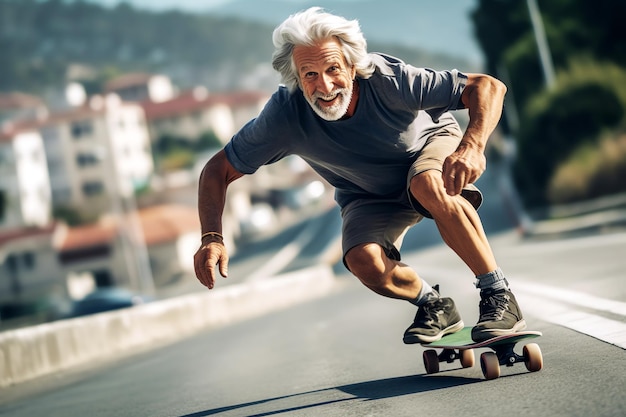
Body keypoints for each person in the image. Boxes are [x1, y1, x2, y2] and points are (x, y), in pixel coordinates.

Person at [193, 7, 526, 344]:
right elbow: (216, 170)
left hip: (428, 150)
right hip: (367, 193)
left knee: (424, 183)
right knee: (362, 260)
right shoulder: (284, 116)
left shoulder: (388, 80)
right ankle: (434, 305)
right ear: (295, 78)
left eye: (333, 69)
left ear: (353, 66)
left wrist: (472, 145)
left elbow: (487, 87)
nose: (324, 86)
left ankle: (498, 294)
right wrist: (211, 237)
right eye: (309, 75)